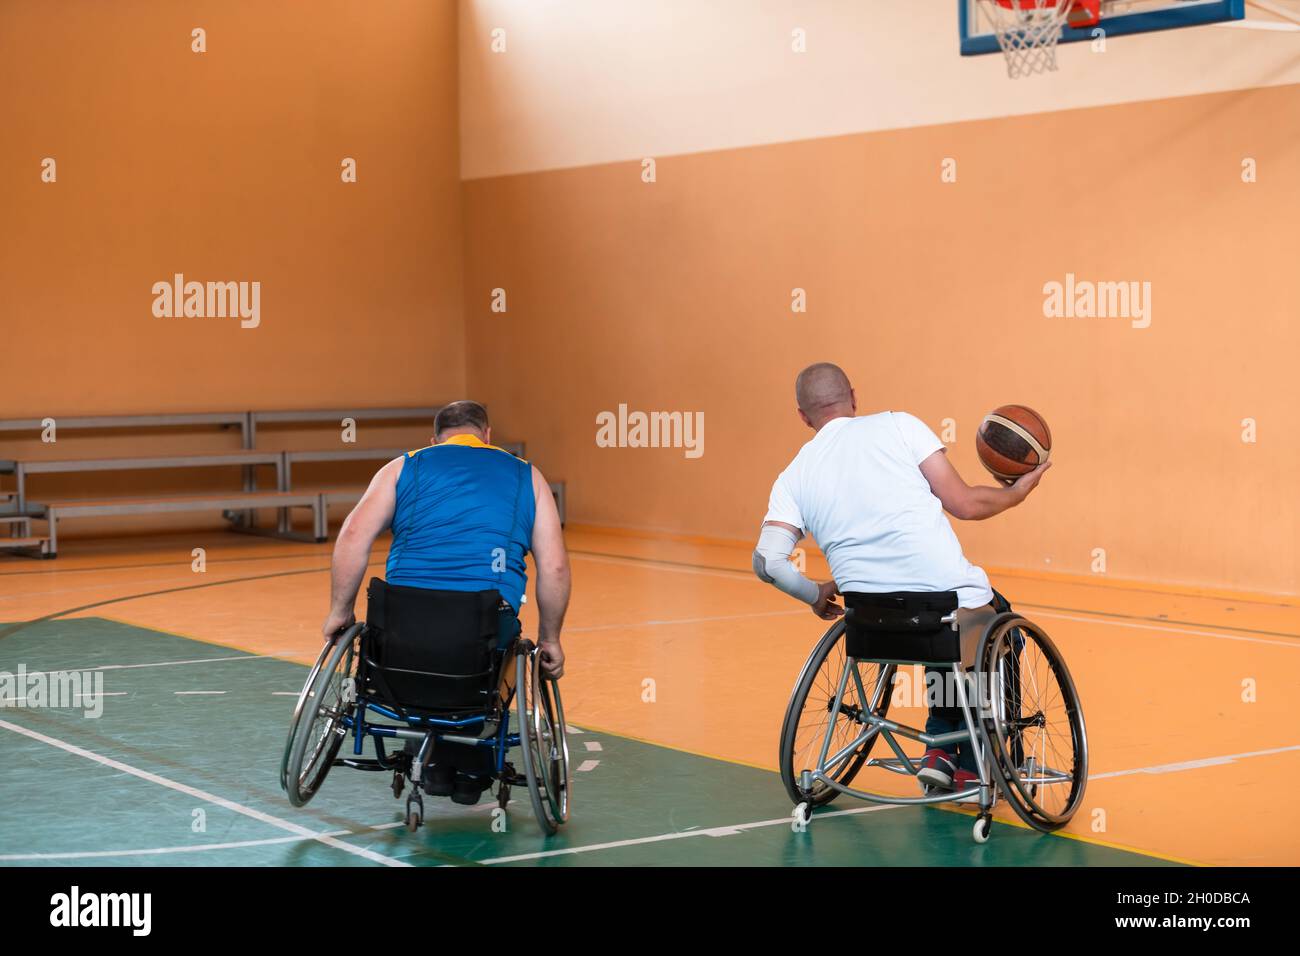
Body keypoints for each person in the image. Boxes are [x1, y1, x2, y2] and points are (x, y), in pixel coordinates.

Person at [751, 363, 1048, 794]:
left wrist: (814, 594)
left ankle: (942, 750)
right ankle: (992, 758)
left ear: (802, 416)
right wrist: (1014, 495)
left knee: (937, 625)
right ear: (853, 396)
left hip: (868, 623)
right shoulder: (900, 426)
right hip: (943, 608)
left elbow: (768, 562)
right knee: (991, 625)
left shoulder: (794, 474)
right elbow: (963, 504)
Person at [321, 400, 570, 803]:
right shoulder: (527, 476)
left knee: (409, 647)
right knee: (496, 649)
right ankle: (471, 765)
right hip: (480, 634)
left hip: (399, 633)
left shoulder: (403, 466)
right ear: (487, 437)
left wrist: (339, 611)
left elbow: (352, 537)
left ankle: (427, 752)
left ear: (434, 440)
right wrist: (551, 638)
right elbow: (554, 568)